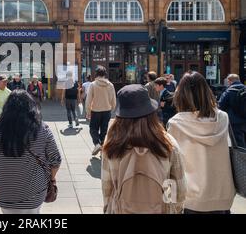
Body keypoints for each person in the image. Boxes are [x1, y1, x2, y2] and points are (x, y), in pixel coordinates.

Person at [101, 85, 186, 214]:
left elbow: (107, 186)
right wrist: (170, 207)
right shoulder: (167, 143)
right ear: (151, 113)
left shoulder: (112, 144)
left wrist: (108, 208)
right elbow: (177, 185)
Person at [0, 90, 62, 214]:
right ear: (31, 108)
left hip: (4, 194)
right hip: (34, 192)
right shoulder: (42, 129)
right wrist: (52, 178)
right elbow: (56, 160)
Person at [168, 71, 236, 214]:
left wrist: (168, 196)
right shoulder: (223, 118)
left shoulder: (176, 123)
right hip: (221, 194)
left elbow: (170, 162)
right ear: (206, 91)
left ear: (181, 94)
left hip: (189, 197)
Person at [86, 66, 117, 156]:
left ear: (96, 74)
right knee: (103, 130)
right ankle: (102, 147)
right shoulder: (110, 85)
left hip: (95, 110)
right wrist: (112, 108)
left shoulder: (93, 84)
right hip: (107, 111)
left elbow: (88, 100)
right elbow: (113, 99)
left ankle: (97, 144)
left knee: (93, 129)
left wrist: (88, 111)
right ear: (105, 74)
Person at [218, 74, 246, 148]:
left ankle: (241, 158)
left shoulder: (229, 91)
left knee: (238, 143)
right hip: (244, 120)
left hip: (235, 122)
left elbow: (220, 106)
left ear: (229, 81)